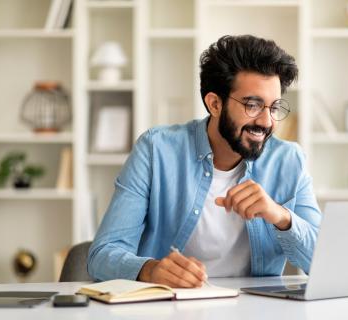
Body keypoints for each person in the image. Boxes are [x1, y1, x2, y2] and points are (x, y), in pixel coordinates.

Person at [87, 35, 322, 288]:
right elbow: (102, 255)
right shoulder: (157, 150)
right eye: (253, 105)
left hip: (256, 309)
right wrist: (150, 270)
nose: (266, 122)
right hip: (166, 307)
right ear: (214, 103)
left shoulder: (288, 160)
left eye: (273, 107)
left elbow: (323, 262)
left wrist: (281, 216)